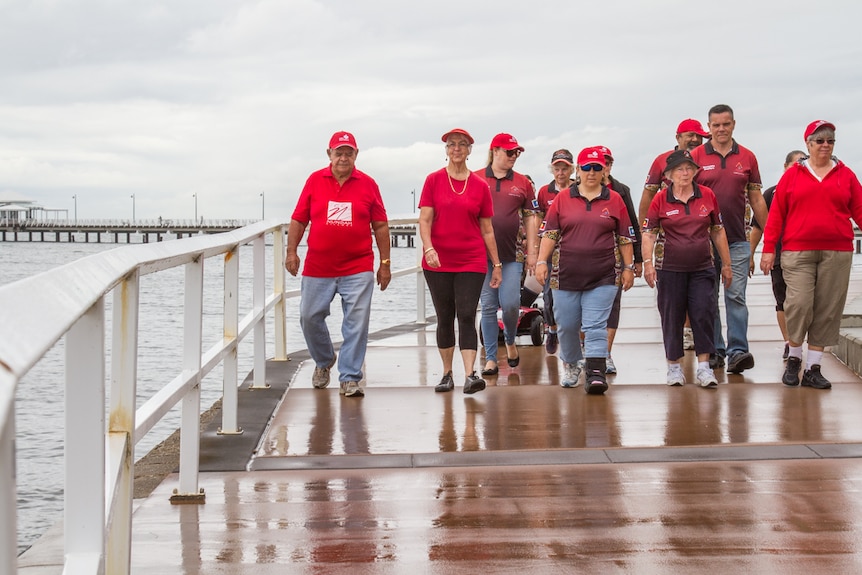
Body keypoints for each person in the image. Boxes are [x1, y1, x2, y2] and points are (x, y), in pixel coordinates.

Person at [285, 131, 391, 398]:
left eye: (349, 152)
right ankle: (324, 360)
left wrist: (385, 263)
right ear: (329, 154)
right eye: (338, 152)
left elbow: (380, 225)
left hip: (357, 266)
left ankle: (350, 377)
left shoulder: (368, 184)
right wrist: (291, 252)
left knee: (356, 322)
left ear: (356, 154)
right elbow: (299, 219)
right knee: (309, 317)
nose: (343, 157)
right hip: (318, 266)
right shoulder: (314, 180)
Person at [761, 120, 862, 389]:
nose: (825, 145)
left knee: (828, 308)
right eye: (820, 141)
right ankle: (794, 356)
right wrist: (769, 249)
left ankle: (814, 366)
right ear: (808, 144)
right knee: (799, 303)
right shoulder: (792, 175)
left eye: (830, 141)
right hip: (797, 250)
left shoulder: (846, 175)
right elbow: (776, 216)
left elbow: (859, 210)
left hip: (837, 251)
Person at [535, 147, 636, 394]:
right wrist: (540, 261)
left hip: (603, 275)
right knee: (567, 324)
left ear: (604, 171)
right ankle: (571, 363)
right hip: (566, 274)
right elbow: (550, 233)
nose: (592, 173)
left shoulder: (615, 199)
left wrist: (629, 267)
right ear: (578, 170)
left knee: (595, 325)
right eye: (587, 168)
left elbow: (624, 237)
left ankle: (595, 372)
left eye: (597, 168)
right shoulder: (562, 199)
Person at [419, 128, 502, 394]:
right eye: (452, 144)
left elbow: (487, 228)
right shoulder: (433, 180)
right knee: (445, 316)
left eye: (462, 144)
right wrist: (428, 247)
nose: (456, 149)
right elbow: (425, 220)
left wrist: (497, 264)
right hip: (438, 260)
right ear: (446, 150)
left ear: (469, 150)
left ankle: (470, 375)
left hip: (471, 259)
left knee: (466, 314)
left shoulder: (479, 186)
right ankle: (446, 374)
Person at [641, 149, 733, 388]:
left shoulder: (707, 195)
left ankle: (704, 367)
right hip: (670, 268)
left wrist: (727, 265)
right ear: (670, 174)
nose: (685, 172)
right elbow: (649, 234)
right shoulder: (661, 198)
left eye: (689, 168)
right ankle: (674, 367)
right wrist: (648, 264)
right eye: (680, 169)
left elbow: (717, 230)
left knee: (704, 312)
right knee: (671, 316)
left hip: (703, 266)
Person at [690, 104, 768, 373]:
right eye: (716, 125)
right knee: (706, 299)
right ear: (708, 127)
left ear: (733, 124)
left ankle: (738, 351)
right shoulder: (696, 156)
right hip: (701, 242)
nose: (721, 129)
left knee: (736, 297)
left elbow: (756, 198)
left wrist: (771, 236)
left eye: (726, 124)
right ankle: (714, 350)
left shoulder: (747, 157)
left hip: (737, 240)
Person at [638, 119, 711, 352]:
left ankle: (701, 339)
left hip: (700, 230)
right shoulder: (661, 160)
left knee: (702, 295)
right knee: (674, 293)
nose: (695, 140)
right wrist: (644, 230)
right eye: (690, 135)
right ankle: (680, 334)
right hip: (668, 231)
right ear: (678, 137)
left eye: (699, 136)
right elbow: (647, 195)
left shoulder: (705, 159)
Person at [477, 133, 539, 376]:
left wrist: (532, 251)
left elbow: (531, 218)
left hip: (512, 256)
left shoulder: (523, 183)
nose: (514, 156)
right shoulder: (477, 178)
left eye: (517, 153)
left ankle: (511, 339)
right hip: (482, 256)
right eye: (510, 152)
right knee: (489, 306)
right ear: (495, 151)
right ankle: (491, 358)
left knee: (512, 304)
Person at [749, 150, 807, 360]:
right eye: (795, 164)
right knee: (782, 302)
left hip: (806, 257)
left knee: (803, 302)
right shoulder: (771, 194)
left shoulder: (813, 191)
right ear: (785, 167)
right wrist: (751, 255)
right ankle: (789, 343)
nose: (799, 168)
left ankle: (798, 341)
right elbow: (757, 228)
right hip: (780, 256)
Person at [596, 145, 642, 374]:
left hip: (615, 256)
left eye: (607, 162)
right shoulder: (576, 189)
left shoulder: (622, 190)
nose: (602, 167)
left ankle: (605, 353)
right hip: (584, 258)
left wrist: (637, 260)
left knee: (612, 306)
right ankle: (590, 350)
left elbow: (632, 225)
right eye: (598, 162)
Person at [535, 149, 576, 355]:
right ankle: (551, 329)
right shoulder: (544, 192)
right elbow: (538, 221)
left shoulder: (579, 188)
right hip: (551, 252)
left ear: (572, 169)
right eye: (557, 168)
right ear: (552, 170)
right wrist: (536, 253)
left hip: (573, 251)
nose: (561, 173)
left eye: (565, 168)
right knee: (549, 297)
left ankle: (576, 334)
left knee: (573, 295)